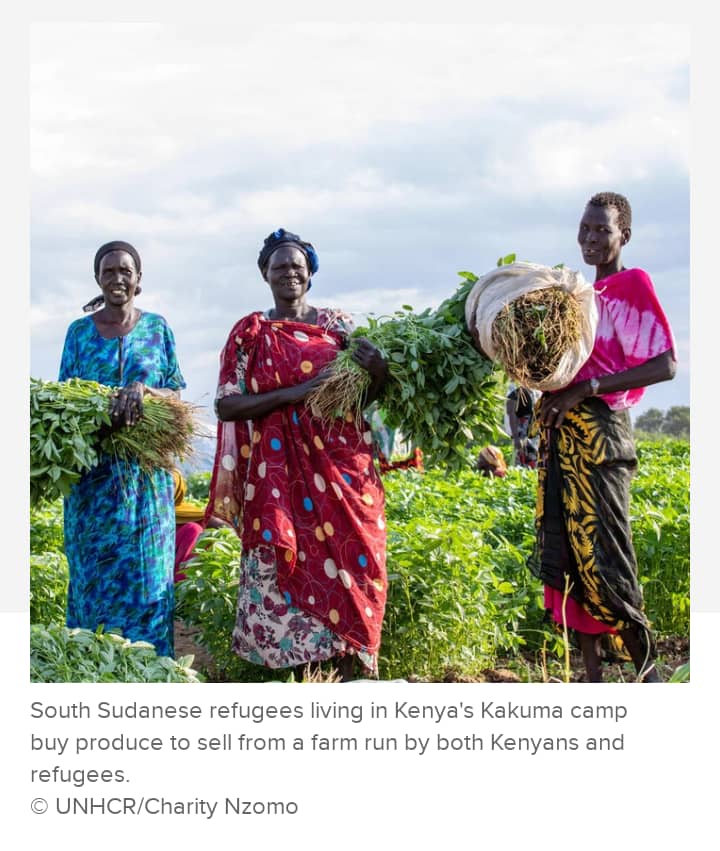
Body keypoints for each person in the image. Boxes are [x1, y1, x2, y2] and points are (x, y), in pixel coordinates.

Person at [205, 228, 390, 681]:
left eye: (297, 266)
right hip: (279, 473)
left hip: (342, 465)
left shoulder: (339, 328)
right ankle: (300, 673)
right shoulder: (251, 333)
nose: (289, 273)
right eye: (279, 266)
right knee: (289, 561)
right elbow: (227, 404)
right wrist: (295, 394)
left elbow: (368, 397)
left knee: (355, 560)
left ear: (310, 274)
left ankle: (348, 667)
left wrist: (379, 370)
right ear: (264, 274)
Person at [528, 192, 676, 682]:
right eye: (585, 229)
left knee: (607, 558)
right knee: (568, 555)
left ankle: (650, 676)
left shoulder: (631, 285)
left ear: (623, 236)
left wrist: (585, 389)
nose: (590, 239)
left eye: (602, 231)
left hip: (602, 441)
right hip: (563, 440)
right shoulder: (577, 299)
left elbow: (665, 365)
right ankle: (592, 681)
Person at [58, 240, 186, 658]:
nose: (117, 278)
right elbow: (64, 404)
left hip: (146, 485)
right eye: (108, 271)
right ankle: (91, 678)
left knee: (148, 581)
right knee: (93, 581)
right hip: (92, 485)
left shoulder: (158, 328)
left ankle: (150, 678)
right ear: (98, 279)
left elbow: (178, 401)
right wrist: (101, 416)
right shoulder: (78, 334)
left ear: (138, 279)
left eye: (125, 271)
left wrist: (143, 390)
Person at [171, 468, 231, 582]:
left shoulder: (187, 514)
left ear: (179, 488)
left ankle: (178, 583)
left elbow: (222, 526)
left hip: (172, 575)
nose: (164, 491)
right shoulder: (142, 513)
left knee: (194, 529)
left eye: (172, 485)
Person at [505, 383, 540, 468]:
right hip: (523, 437)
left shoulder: (536, 392)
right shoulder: (515, 393)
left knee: (535, 464)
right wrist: (516, 438)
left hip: (535, 437)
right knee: (523, 463)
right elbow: (511, 415)